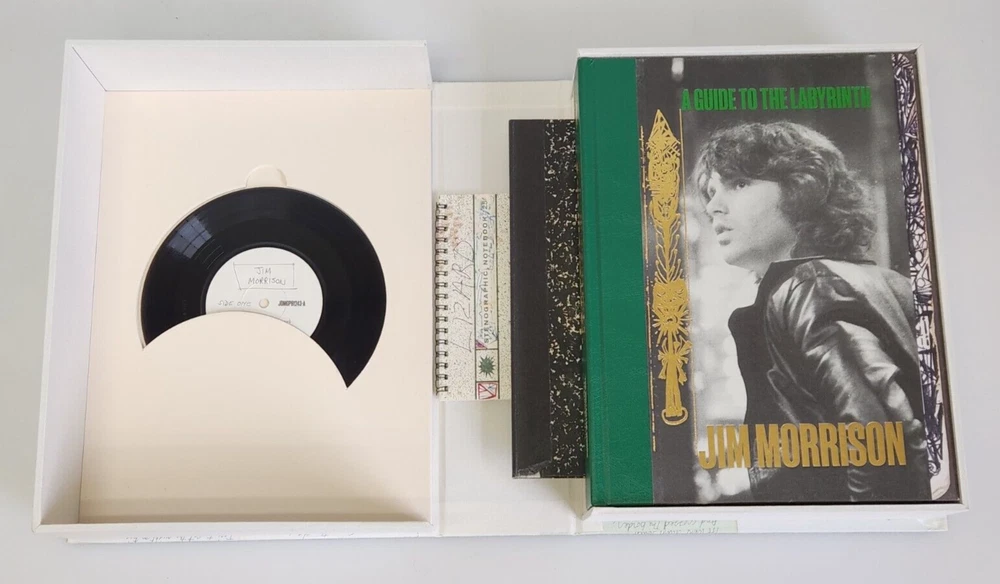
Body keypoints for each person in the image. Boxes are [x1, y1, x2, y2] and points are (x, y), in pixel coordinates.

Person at [694, 121, 930, 502]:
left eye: (738, 184)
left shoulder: (809, 287)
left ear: (801, 189)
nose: (713, 206)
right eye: (711, 192)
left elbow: (881, 446)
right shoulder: (876, 281)